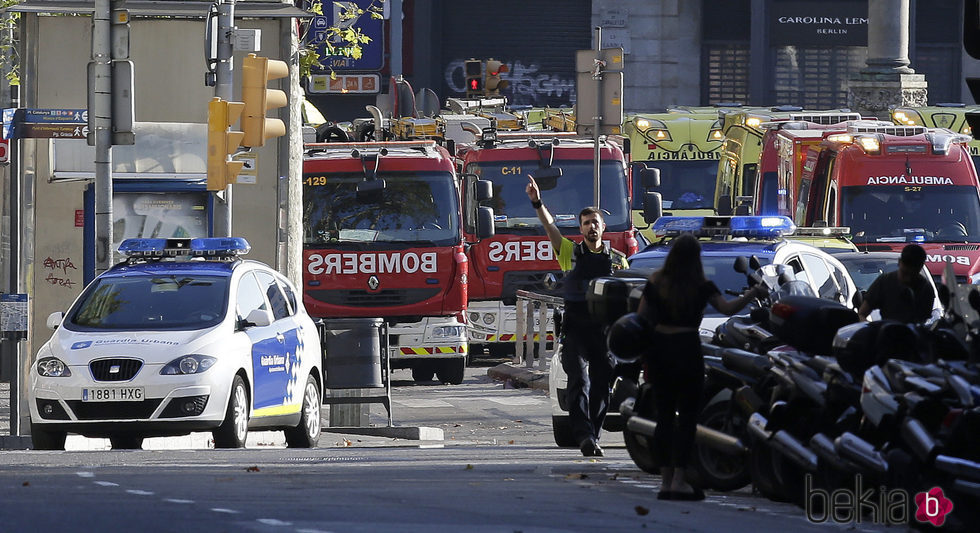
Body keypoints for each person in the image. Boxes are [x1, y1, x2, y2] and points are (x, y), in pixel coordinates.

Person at [636, 233, 766, 501]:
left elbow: (640, 317)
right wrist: (753, 292)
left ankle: (665, 481)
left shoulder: (656, 282)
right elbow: (728, 308)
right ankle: (680, 481)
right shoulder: (701, 285)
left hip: (660, 350)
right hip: (687, 349)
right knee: (686, 419)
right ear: (696, 258)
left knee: (663, 419)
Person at [526, 175, 628, 457]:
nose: (591, 227)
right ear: (581, 228)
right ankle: (583, 436)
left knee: (601, 386)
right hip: (576, 331)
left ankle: (593, 435)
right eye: (586, 223)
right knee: (578, 382)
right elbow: (549, 226)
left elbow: (628, 294)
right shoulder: (569, 252)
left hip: (605, 333)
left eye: (595, 222)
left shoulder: (619, 260)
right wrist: (537, 202)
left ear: (603, 227)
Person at [857, 244, 935, 323]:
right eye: (905, 273)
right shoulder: (884, 282)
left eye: (913, 275)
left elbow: (924, 320)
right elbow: (862, 313)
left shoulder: (926, 288)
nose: (908, 279)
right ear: (899, 262)